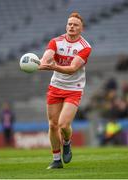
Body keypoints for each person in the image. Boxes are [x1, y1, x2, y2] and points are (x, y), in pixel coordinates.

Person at [38, 12, 92, 169]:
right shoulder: (56, 41)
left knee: (63, 125)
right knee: (52, 125)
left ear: (81, 28)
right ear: (66, 26)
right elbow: (46, 58)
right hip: (56, 86)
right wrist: (37, 63)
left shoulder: (85, 47)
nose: (72, 27)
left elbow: (72, 69)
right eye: (69, 24)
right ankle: (56, 160)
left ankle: (67, 142)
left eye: (75, 24)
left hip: (74, 88)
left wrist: (54, 66)